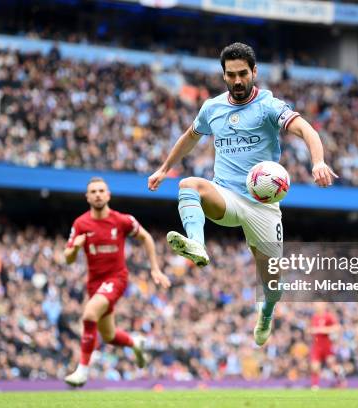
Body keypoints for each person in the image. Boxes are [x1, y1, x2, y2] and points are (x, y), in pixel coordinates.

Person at [148, 42, 337, 346]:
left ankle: (267, 310)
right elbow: (189, 137)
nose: (237, 80)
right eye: (231, 74)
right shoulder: (212, 108)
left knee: (272, 284)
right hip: (227, 196)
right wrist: (163, 168)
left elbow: (306, 130)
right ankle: (197, 244)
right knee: (188, 185)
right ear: (223, 75)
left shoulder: (268, 106)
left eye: (243, 74)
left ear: (254, 72)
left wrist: (318, 161)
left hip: (263, 206)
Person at [64, 177, 171, 387]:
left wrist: (155, 268)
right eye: (93, 191)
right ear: (87, 197)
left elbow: (146, 238)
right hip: (94, 284)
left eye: (101, 191)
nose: (97, 194)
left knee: (89, 314)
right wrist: (75, 248)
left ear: (108, 195)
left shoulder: (122, 220)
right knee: (110, 336)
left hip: (116, 279)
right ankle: (135, 342)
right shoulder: (81, 223)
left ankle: (82, 371)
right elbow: (68, 258)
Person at [309, 302, 344, 389]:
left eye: (318, 305)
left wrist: (322, 330)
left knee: (332, 365)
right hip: (316, 345)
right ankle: (315, 386)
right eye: (316, 305)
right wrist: (311, 331)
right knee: (314, 366)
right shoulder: (314, 317)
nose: (317, 307)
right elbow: (310, 329)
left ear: (323, 306)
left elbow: (338, 327)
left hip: (327, 344)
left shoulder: (328, 316)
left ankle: (341, 381)